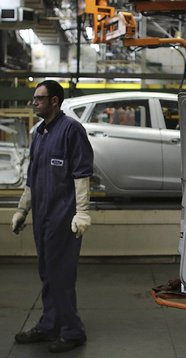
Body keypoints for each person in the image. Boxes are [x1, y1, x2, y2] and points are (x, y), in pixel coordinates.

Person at [11, 80, 94, 353]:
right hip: (42, 217)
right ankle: (50, 324)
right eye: (34, 99)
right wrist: (23, 210)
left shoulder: (72, 130)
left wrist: (82, 212)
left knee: (61, 275)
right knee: (47, 274)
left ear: (55, 101)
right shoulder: (40, 133)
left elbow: (81, 174)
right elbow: (32, 179)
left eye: (39, 98)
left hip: (63, 218)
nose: (34, 103)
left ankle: (72, 330)